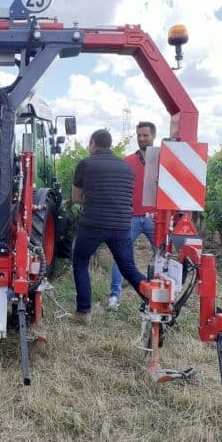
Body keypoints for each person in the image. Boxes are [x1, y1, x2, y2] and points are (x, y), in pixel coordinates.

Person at [70, 129, 147, 324]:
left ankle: (84, 312)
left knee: (80, 261)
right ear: (109, 144)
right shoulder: (126, 167)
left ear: (93, 143)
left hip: (93, 224)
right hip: (121, 224)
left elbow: (76, 197)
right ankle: (153, 301)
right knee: (128, 268)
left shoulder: (85, 164)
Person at [108, 121, 157, 309]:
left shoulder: (162, 160)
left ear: (153, 136)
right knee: (121, 256)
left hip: (155, 219)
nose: (142, 138)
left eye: (145, 135)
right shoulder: (127, 161)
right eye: (139, 135)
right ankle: (114, 295)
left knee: (161, 258)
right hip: (131, 217)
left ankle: (157, 296)